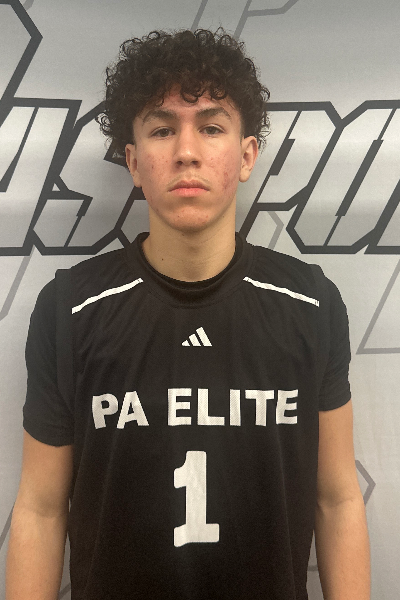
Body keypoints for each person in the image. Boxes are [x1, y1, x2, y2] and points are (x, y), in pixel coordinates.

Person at [6, 28, 370, 600]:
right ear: (133, 161)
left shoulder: (310, 303)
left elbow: (337, 499)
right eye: (161, 129)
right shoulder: (69, 308)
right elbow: (42, 508)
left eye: (211, 127)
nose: (186, 151)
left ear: (247, 156)